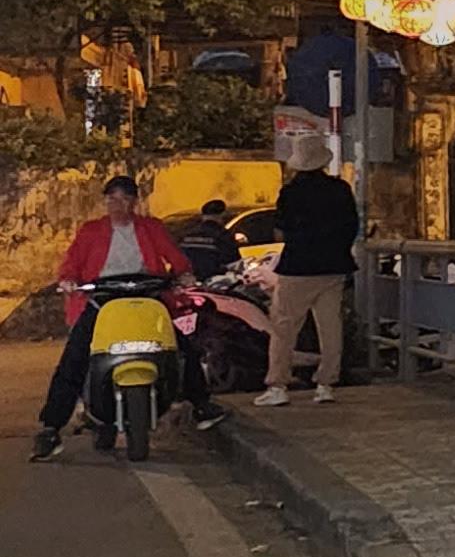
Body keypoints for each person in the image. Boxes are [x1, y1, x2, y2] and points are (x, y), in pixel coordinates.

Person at [31, 174, 216, 457]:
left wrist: (184, 274)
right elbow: (71, 264)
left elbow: (176, 259)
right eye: (112, 199)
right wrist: (68, 281)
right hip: (102, 298)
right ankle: (51, 428)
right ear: (105, 201)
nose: (118, 205)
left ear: (134, 202)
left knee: (181, 347)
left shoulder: (151, 228)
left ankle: (202, 405)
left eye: (125, 198)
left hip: (146, 294)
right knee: (74, 358)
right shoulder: (91, 231)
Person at [253, 150, 362, 405]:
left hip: (298, 267)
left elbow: (281, 228)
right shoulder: (340, 189)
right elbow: (351, 225)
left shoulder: (291, 192)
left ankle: (278, 384)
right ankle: (326, 384)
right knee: (330, 326)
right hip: (334, 266)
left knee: (284, 327)